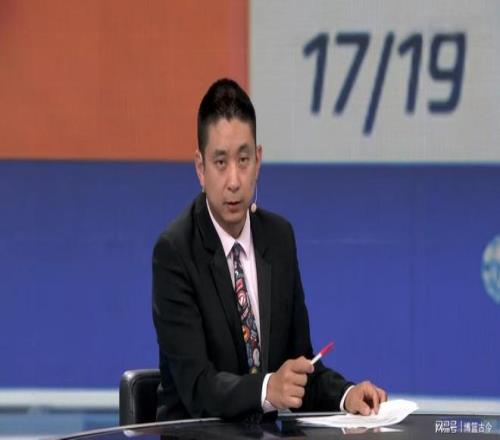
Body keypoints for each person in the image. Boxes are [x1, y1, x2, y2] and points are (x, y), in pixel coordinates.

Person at [152, 78, 387, 421]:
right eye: (220, 163)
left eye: (244, 160)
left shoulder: (278, 239)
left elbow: (299, 369)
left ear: (258, 160)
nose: (234, 180)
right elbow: (198, 387)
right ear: (200, 168)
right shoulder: (175, 252)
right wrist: (266, 389)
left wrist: (346, 395)